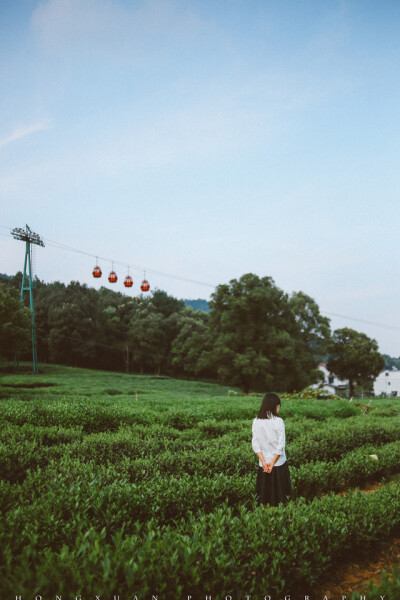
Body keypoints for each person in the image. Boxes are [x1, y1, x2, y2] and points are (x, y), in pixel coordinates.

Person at [252, 392, 294, 507]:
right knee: (282, 498)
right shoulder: (278, 421)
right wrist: (273, 462)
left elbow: (255, 444)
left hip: (264, 465)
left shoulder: (256, 421)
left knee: (264, 499)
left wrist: (264, 462)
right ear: (275, 405)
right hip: (278, 464)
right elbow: (280, 445)